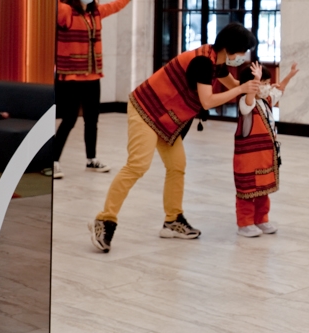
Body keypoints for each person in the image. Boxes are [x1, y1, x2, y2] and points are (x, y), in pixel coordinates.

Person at [89, 22, 261, 253]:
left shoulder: (216, 62)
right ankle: (104, 220)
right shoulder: (203, 63)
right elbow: (208, 101)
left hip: (166, 119)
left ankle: (173, 221)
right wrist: (242, 90)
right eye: (242, 52)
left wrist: (260, 87)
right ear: (230, 48)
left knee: (177, 165)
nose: (243, 57)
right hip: (146, 109)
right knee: (137, 166)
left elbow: (236, 86)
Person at [54, 0, 144, 178]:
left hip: (93, 76)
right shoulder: (67, 12)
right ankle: (54, 160)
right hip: (72, 76)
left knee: (92, 119)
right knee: (69, 120)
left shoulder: (95, 13)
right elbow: (57, 6)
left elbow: (116, 5)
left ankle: (91, 159)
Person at [234, 60, 298, 237]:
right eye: (263, 83)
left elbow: (279, 90)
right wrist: (255, 82)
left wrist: (289, 76)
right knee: (247, 192)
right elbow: (248, 102)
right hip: (248, 159)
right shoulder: (246, 104)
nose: (267, 87)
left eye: (266, 83)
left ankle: (261, 219)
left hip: (264, 157)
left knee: (263, 190)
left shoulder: (267, 100)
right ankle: (245, 223)